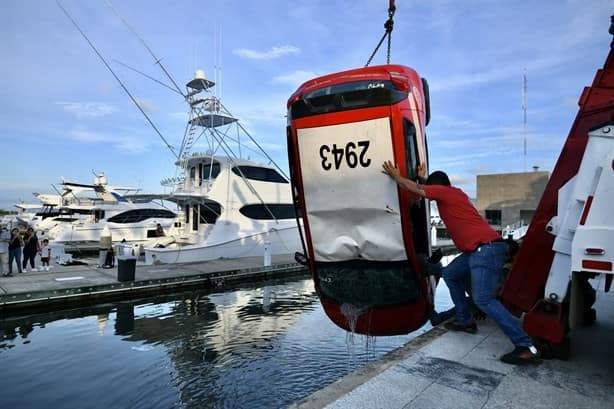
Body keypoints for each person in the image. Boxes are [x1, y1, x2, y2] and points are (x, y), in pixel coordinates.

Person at [382, 161, 540, 365]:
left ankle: (525, 345)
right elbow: (427, 187)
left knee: (484, 300)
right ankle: (465, 319)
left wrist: (396, 176)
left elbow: (420, 190)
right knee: (450, 274)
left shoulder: (447, 193)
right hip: (476, 251)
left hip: (485, 250)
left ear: (438, 186)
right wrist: (422, 179)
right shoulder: (452, 194)